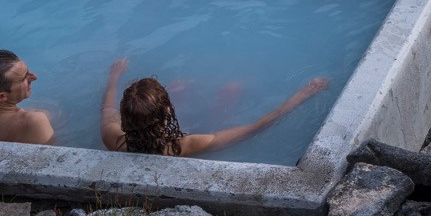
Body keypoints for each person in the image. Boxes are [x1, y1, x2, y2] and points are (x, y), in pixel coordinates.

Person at [100, 60, 329, 158]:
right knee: (232, 88)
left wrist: (113, 77)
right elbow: (255, 128)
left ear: (125, 117)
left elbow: (108, 108)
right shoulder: (184, 146)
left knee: (181, 85)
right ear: (168, 110)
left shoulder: (113, 137)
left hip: (151, 127)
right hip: (201, 128)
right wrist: (303, 94)